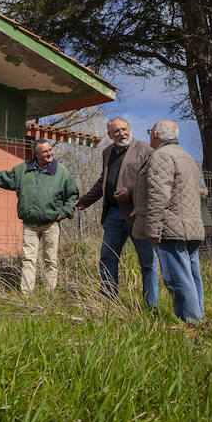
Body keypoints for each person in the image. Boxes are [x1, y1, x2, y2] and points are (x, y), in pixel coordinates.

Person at [0, 139, 79, 293]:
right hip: (30, 224)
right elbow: (3, 178)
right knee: (28, 259)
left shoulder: (61, 171)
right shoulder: (23, 169)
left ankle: (50, 294)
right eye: (45, 151)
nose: (50, 153)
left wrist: (64, 213)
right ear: (36, 154)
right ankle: (26, 295)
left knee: (50, 260)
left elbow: (72, 195)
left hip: (51, 223)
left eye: (51, 149)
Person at [76, 117, 158, 308]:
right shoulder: (107, 152)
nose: (121, 133)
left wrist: (130, 191)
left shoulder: (146, 150)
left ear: (130, 129)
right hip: (113, 215)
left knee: (147, 262)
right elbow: (103, 182)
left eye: (124, 129)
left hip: (137, 214)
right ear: (109, 135)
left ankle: (150, 305)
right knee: (107, 256)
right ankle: (109, 301)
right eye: (117, 131)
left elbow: (152, 180)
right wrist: (85, 201)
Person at [132, 120, 204, 322]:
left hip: (171, 227)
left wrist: (154, 229)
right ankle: (198, 319)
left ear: (155, 134)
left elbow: (158, 194)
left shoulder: (161, 156)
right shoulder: (187, 157)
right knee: (191, 275)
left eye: (149, 132)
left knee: (177, 278)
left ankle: (190, 323)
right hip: (191, 226)